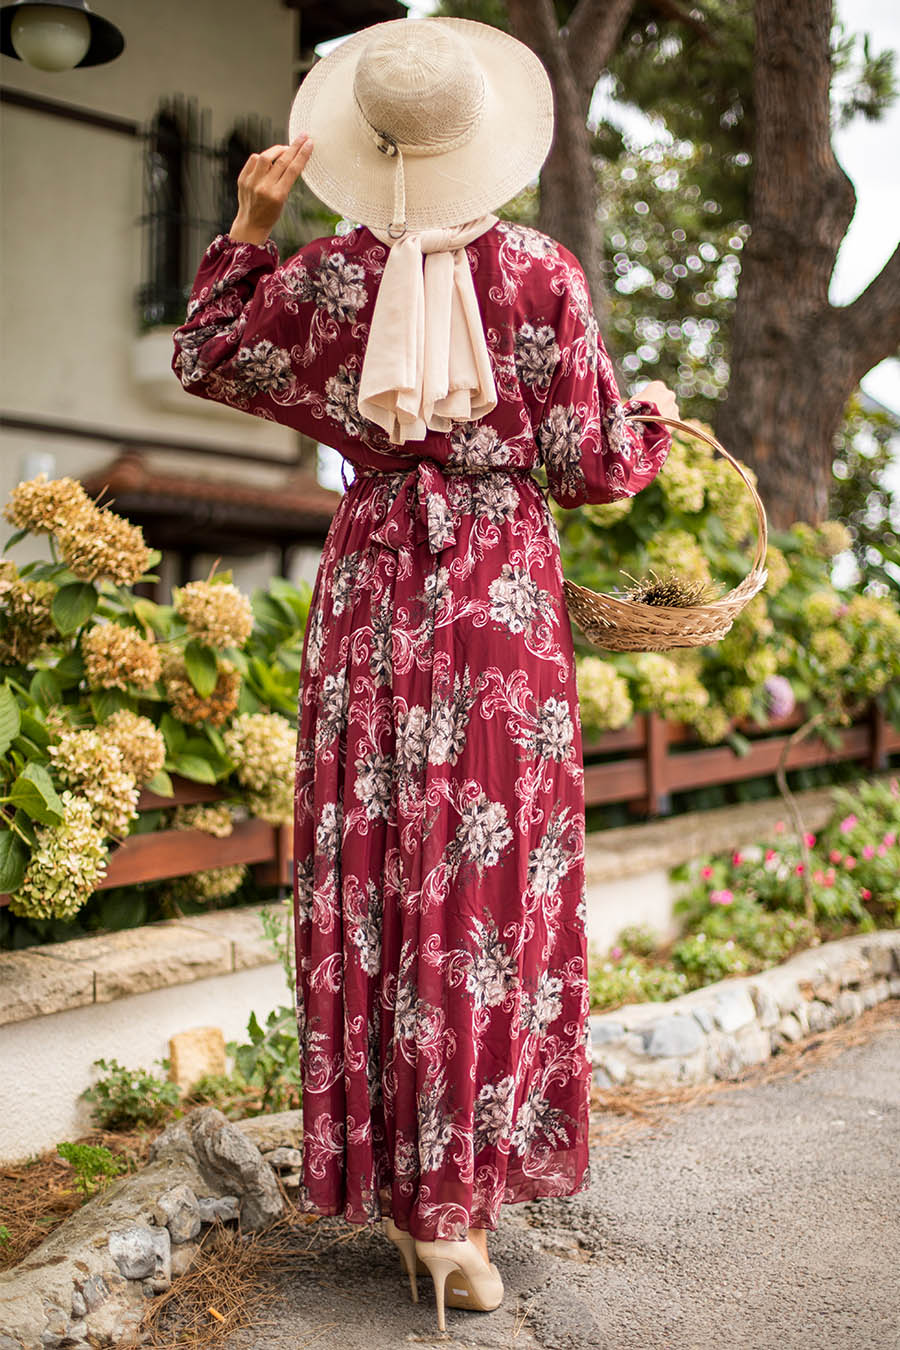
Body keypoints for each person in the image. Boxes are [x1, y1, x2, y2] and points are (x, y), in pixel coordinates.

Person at [172, 15, 679, 1335]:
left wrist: (244, 215)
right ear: (483, 146)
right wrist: (659, 425)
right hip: (500, 600)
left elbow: (207, 347)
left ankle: (408, 1191)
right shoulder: (538, 272)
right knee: (489, 879)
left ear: (369, 151)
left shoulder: (336, 278)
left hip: (376, 593)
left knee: (387, 862)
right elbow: (594, 461)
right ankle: (454, 1207)